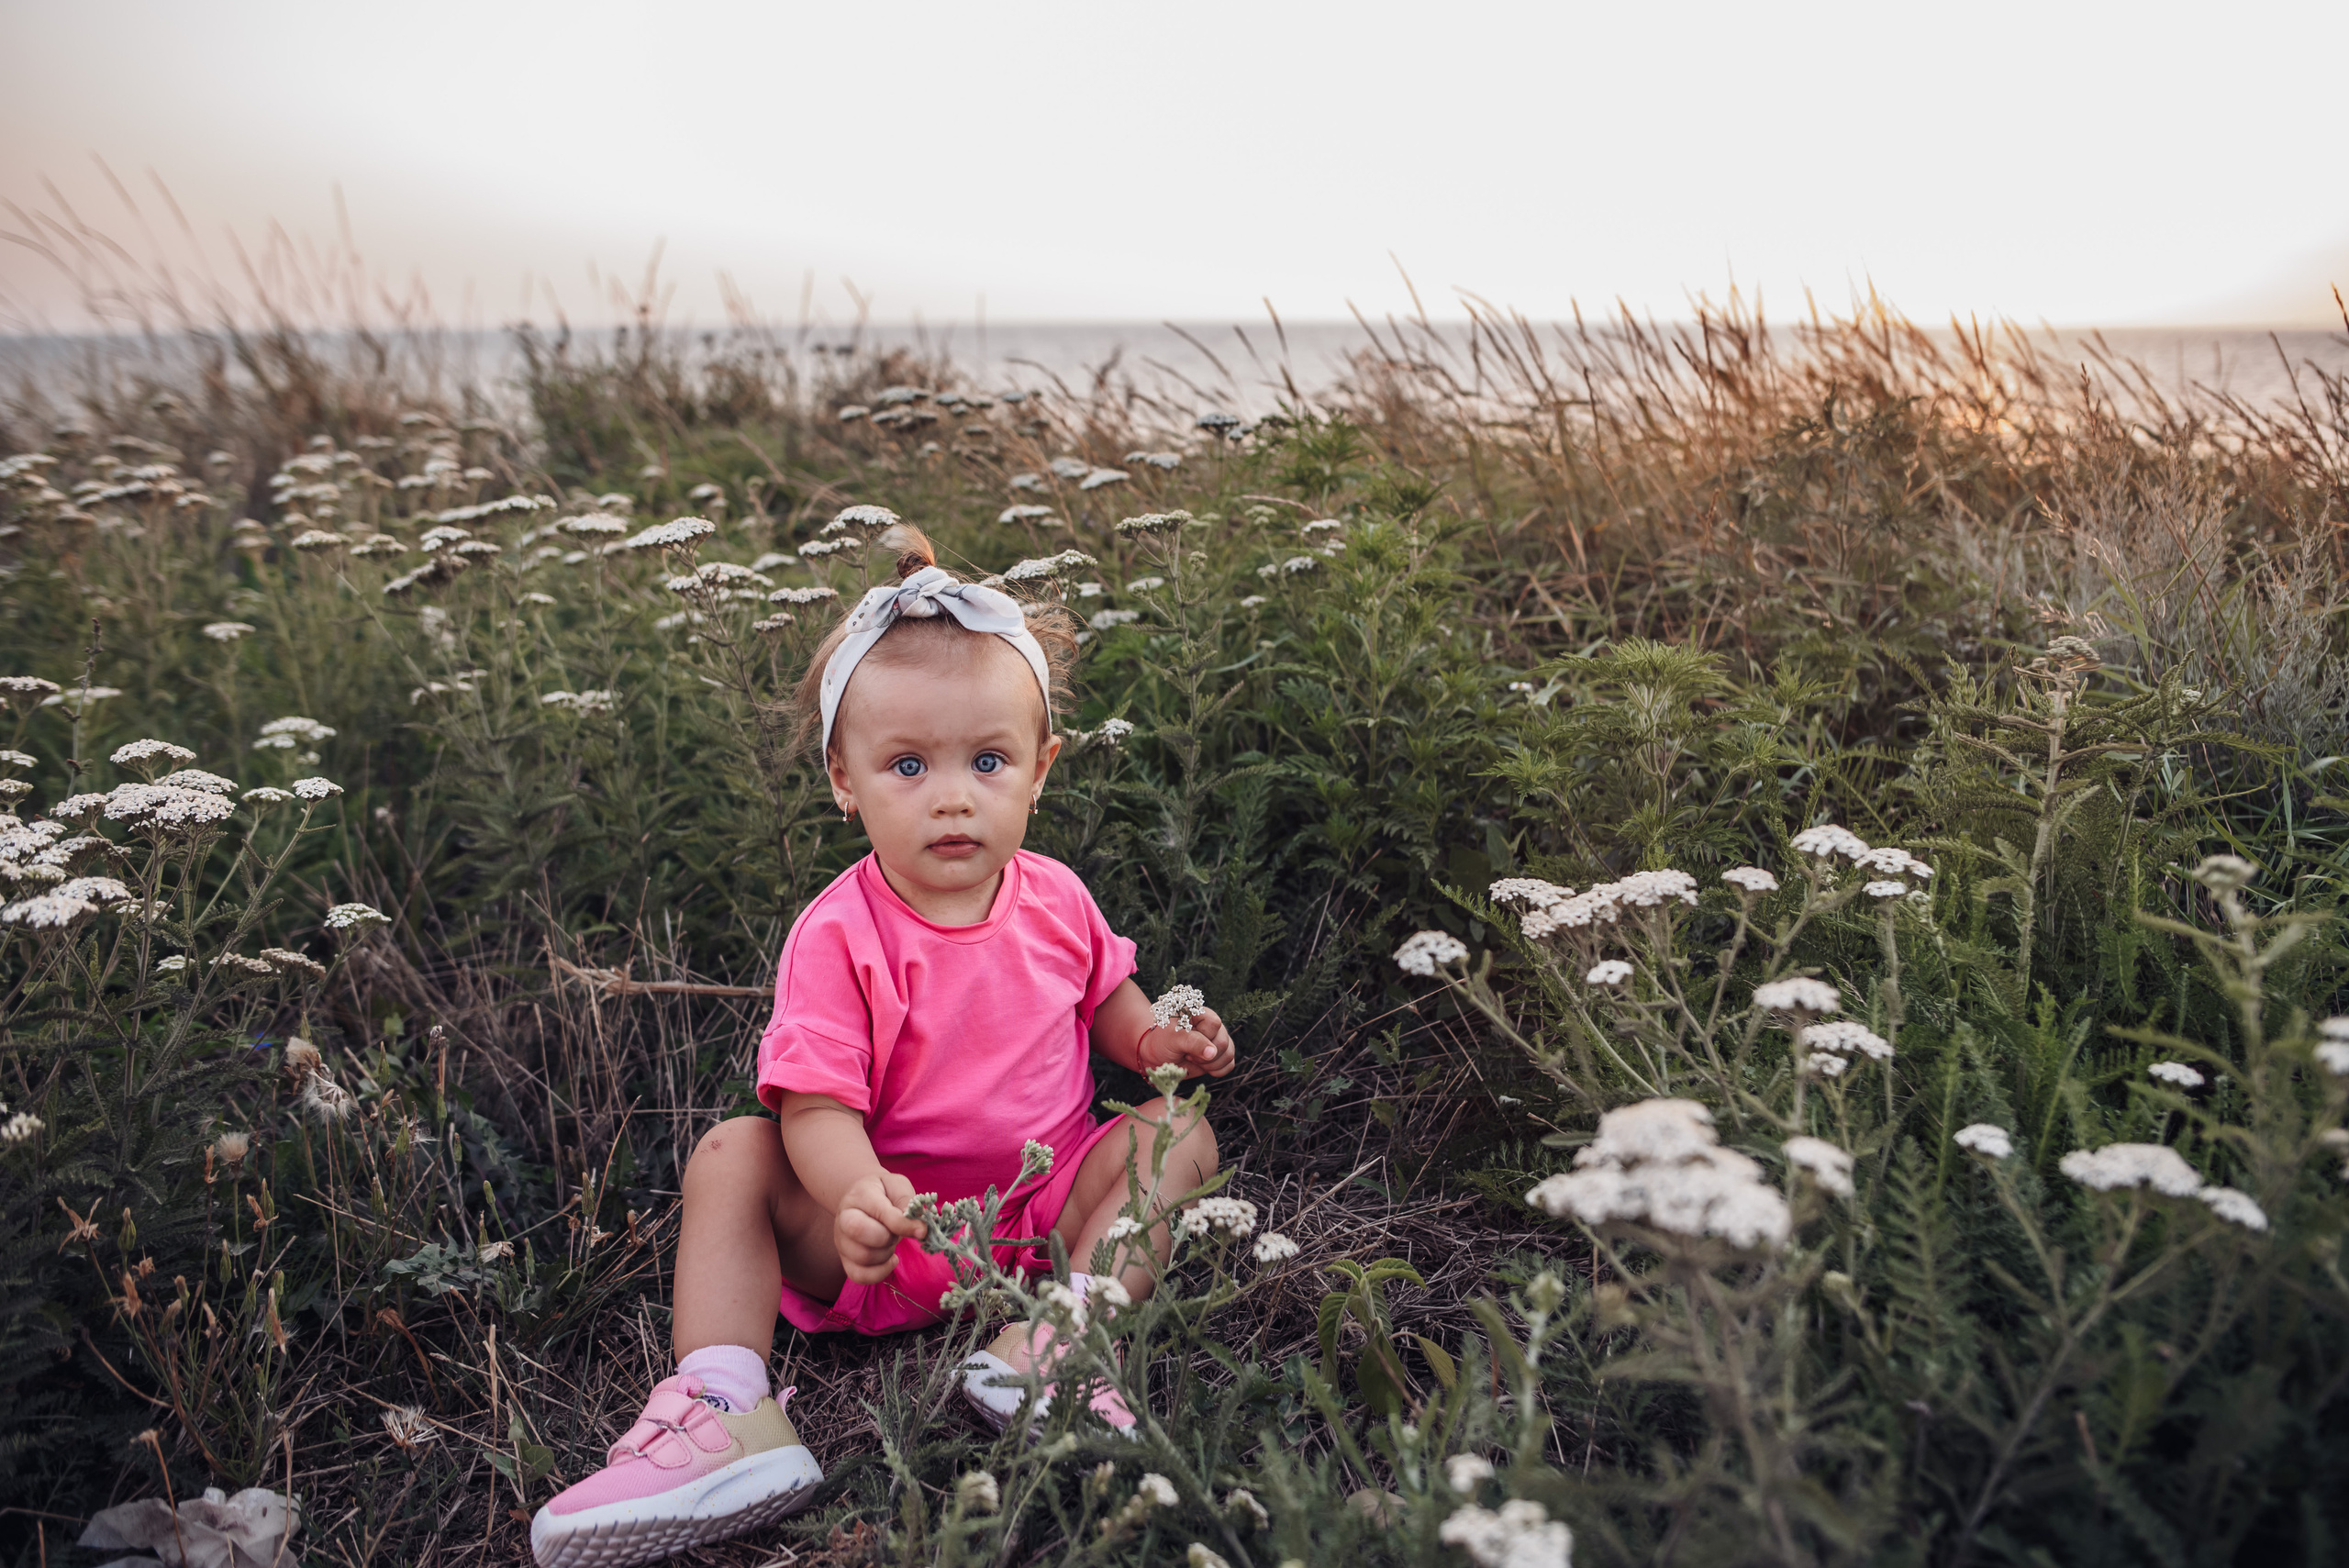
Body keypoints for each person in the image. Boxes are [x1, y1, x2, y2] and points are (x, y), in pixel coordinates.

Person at [530, 526, 1233, 1568]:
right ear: (843, 777)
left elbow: (1113, 1015)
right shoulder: (840, 932)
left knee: (1176, 1132)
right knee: (734, 1151)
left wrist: (1167, 1040)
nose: (953, 794)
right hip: (887, 1231)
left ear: (1039, 768)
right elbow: (812, 1106)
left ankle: (1058, 1339)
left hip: (1035, 1220)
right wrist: (858, 1192)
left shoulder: (1058, 898)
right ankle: (724, 1406)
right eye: (907, 763)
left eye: (987, 760)